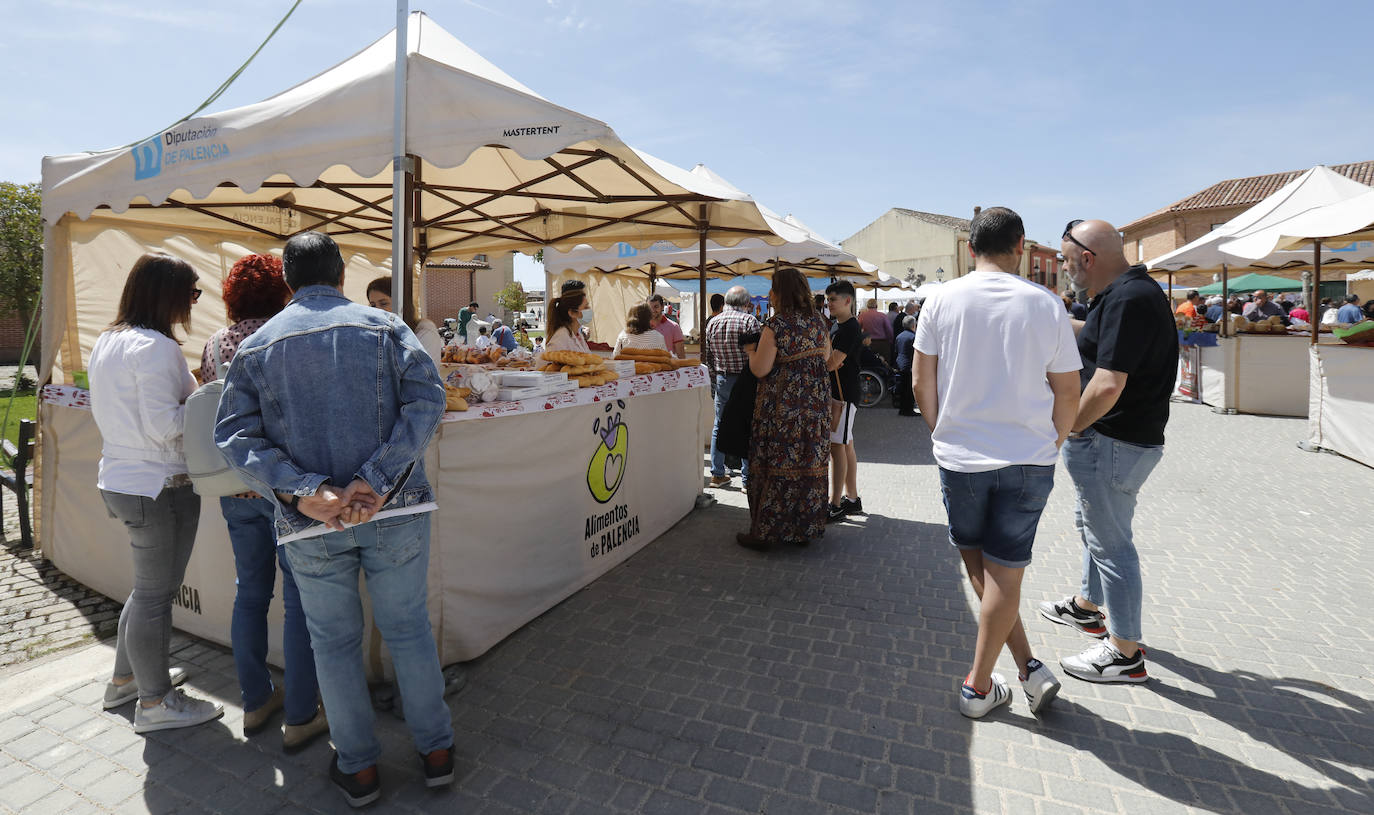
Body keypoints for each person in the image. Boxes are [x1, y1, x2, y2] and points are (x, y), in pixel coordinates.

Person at [216, 232, 454, 807]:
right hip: (393, 507)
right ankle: (437, 751)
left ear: (288, 282)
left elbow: (232, 436)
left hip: (313, 522)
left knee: (334, 643)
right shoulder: (386, 326)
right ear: (342, 274)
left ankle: (360, 768)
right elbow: (429, 401)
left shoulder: (257, 345)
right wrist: (374, 477)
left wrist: (304, 493)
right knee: (407, 629)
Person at [913, 206, 1080, 718]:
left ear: (970, 248)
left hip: (962, 457)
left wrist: (943, 433)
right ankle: (1027, 666)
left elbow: (923, 383)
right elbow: (1068, 388)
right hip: (1029, 458)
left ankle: (979, 686)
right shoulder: (1046, 303)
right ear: (1021, 246)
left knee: (977, 563)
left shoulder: (939, 299)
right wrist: (1054, 440)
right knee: (1003, 574)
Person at [89, 252, 224, 732]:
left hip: (125, 480)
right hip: (159, 485)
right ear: (168, 295)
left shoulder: (109, 340)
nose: (192, 303)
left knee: (146, 592)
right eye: (191, 294)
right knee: (155, 597)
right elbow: (165, 425)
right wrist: (207, 400)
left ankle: (127, 679)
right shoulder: (156, 347)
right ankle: (155, 702)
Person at [1041, 219, 1177, 685]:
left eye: (1064, 258)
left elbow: (1108, 382)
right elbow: (1096, 340)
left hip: (1112, 439)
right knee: (1096, 528)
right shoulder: (1127, 294)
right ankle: (1087, 608)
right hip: (1120, 440)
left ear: (1087, 258)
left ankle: (1124, 651)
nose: (1063, 267)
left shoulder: (1127, 298)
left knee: (1111, 542)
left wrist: (1068, 428)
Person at [201, 254, 327, 751]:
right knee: (297, 601)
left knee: (250, 593)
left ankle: (255, 700)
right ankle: (300, 713)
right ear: (284, 291)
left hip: (236, 486)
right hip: (283, 485)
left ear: (231, 297)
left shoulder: (215, 344)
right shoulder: (287, 336)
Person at [736, 268, 830, 549]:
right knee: (808, 464)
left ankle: (765, 533)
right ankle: (802, 530)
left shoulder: (776, 325)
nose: (769, 295)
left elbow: (761, 369)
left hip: (781, 410)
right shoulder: (819, 322)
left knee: (775, 465)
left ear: (779, 293)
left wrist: (751, 352)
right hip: (814, 409)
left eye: (772, 289)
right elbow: (824, 358)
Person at [706, 286, 761, 488]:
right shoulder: (750, 321)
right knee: (748, 425)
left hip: (722, 377)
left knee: (719, 424)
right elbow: (758, 354)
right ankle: (747, 479)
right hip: (747, 379)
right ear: (746, 303)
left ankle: (717, 473)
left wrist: (715, 378)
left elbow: (709, 357)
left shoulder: (713, 322)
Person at [824, 280, 864, 523]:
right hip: (841, 395)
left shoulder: (849, 328)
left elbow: (832, 362)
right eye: (828, 300)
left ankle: (835, 503)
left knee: (836, 446)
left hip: (844, 395)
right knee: (845, 444)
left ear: (847, 300)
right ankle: (852, 498)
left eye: (833, 300)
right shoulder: (837, 326)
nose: (829, 304)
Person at [366, 277, 443, 363]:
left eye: (383, 303)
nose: (378, 310)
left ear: (401, 304)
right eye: (373, 305)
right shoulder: (376, 334)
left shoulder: (425, 331)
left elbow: (421, 372)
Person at [545, 279, 592, 354]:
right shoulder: (560, 340)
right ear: (572, 313)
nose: (589, 310)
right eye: (586, 307)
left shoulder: (576, 334)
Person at [894, 315, 918, 417]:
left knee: (903, 388)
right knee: (909, 389)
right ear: (913, 325)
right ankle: (908, 410)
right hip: (909, 365)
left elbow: (896, 350)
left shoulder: (899, 336)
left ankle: (902, 409)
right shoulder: (913, 337)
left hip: (900, 363)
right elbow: (914, 353)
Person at [648, 293, 685, 358]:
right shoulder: (642, 325)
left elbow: (681, 356)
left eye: (656, 307)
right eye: (649, 307)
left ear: (662, 307)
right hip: (646, 366)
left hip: (667, 366)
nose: (652, 310)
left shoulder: (674, 327)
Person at [857, 297, 893, 363]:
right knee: (885, 363)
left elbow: (857, 330)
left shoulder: (862, 316)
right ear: (876, 305)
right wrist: (890, 341)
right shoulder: (883, 316)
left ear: (867, 306)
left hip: (868, 344)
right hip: (883, 344)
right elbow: (889, 330)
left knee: (870, 363)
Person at [702, 292, 726, 381]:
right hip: (718, 368)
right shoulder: (720, 322)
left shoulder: (707, 321)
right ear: (721, 306)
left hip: (709, 367)